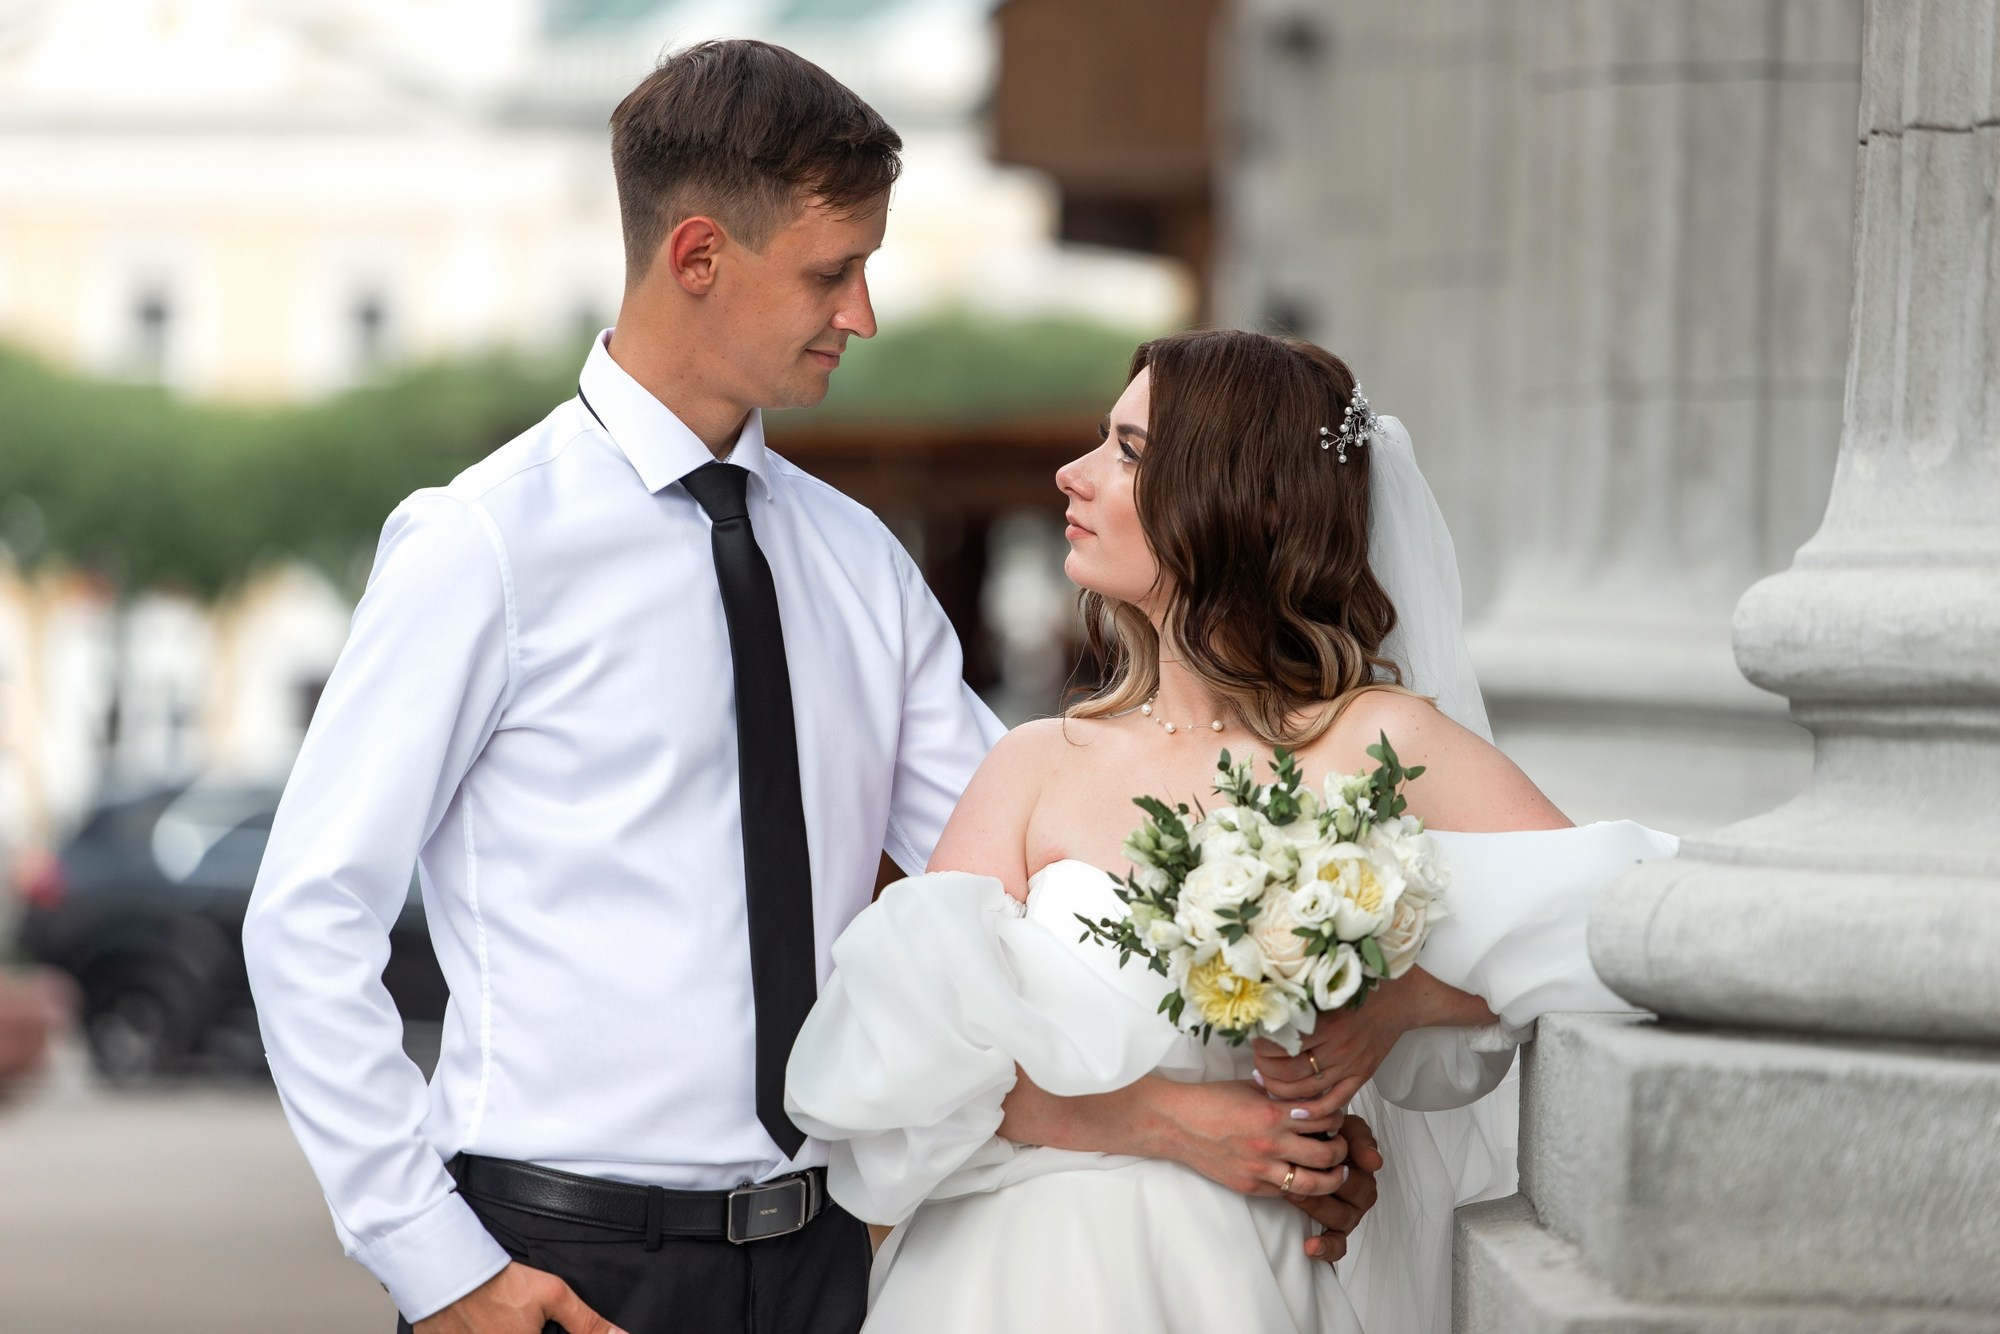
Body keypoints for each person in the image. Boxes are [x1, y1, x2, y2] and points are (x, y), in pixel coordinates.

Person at [244, 43, 1377, 1334]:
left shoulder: (856, 563)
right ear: (698, 258)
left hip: (830, 1264)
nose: (862, 313)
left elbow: (1038, 891)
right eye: (832, 272)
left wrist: (1259, 1102)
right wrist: (433, 1258)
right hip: (560, 1261)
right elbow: (308, 918)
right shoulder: (484, 543)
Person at [786, 329, 1680, 1332]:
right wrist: (1160, 1123)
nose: (1072, 474)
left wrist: (1401, 1000)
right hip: (997, 1280)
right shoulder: (1036, 762)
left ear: (1247, 499)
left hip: (1231, 1278)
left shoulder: (1379, 742)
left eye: (1127, 450)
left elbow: (1642, 916)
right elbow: (896, 1068)